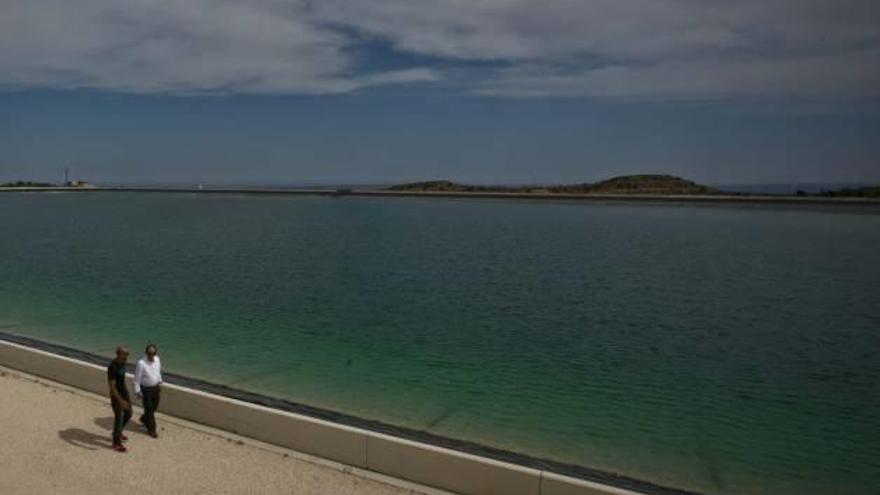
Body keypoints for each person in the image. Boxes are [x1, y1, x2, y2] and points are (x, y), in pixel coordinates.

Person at [135, 343, 163, 438]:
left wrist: (159, 381)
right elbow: (137, 379)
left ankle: (144, 418)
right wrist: (138, 391)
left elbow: (158, 371)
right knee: (149, 410)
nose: (151, 355)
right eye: (150, 353)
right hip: (146, 390)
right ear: (146, 353)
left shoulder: (158, 359)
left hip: (156, 388)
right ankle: (152, 430)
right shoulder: (141, 363)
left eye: (153, 353)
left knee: (155, 407)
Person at [107, 346, 132, 452]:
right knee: (119, 417)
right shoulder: (113, 367)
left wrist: (126, 393)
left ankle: (117, 432)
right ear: (118, 354)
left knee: (129, 413)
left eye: (127, 354)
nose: (127, 357)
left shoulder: (123, 363)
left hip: (124, 392)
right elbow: (112, 387)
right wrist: (120, 400)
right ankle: (116, 442)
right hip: (116, 395)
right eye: (124, 354)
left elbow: (122, 380)